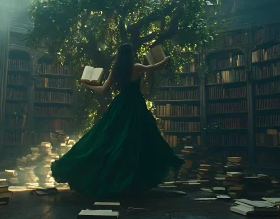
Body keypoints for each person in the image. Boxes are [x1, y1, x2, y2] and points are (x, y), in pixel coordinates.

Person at [51, 43, 184, 198]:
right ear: (131, 54)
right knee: (141, 141)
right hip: (136, 107)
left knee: (109, 140)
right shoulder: (137, 67)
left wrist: (87, 85)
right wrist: (166, 58)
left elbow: (102, 90)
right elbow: (155, 66)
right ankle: (132, 181)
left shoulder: (116, 71)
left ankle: (114, 179)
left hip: (120, 107)